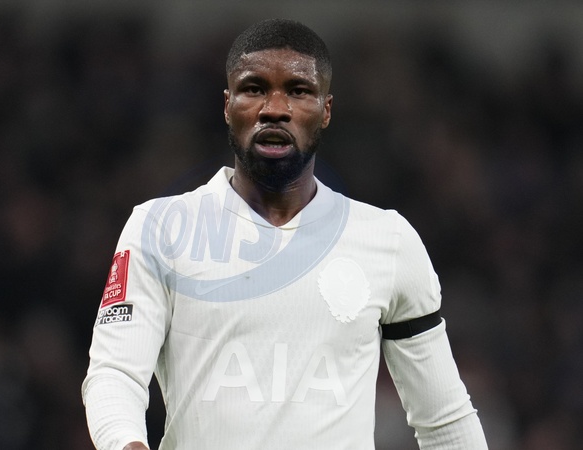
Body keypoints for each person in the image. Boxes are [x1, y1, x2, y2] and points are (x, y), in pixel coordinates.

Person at [82, 18, 488, 450]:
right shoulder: (161, 228)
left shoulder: (388, 241)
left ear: (325, 110)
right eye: (254, 88)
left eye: (298, 90)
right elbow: (115, 374)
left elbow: (444, 420)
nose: (274, 108)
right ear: (227, 105)